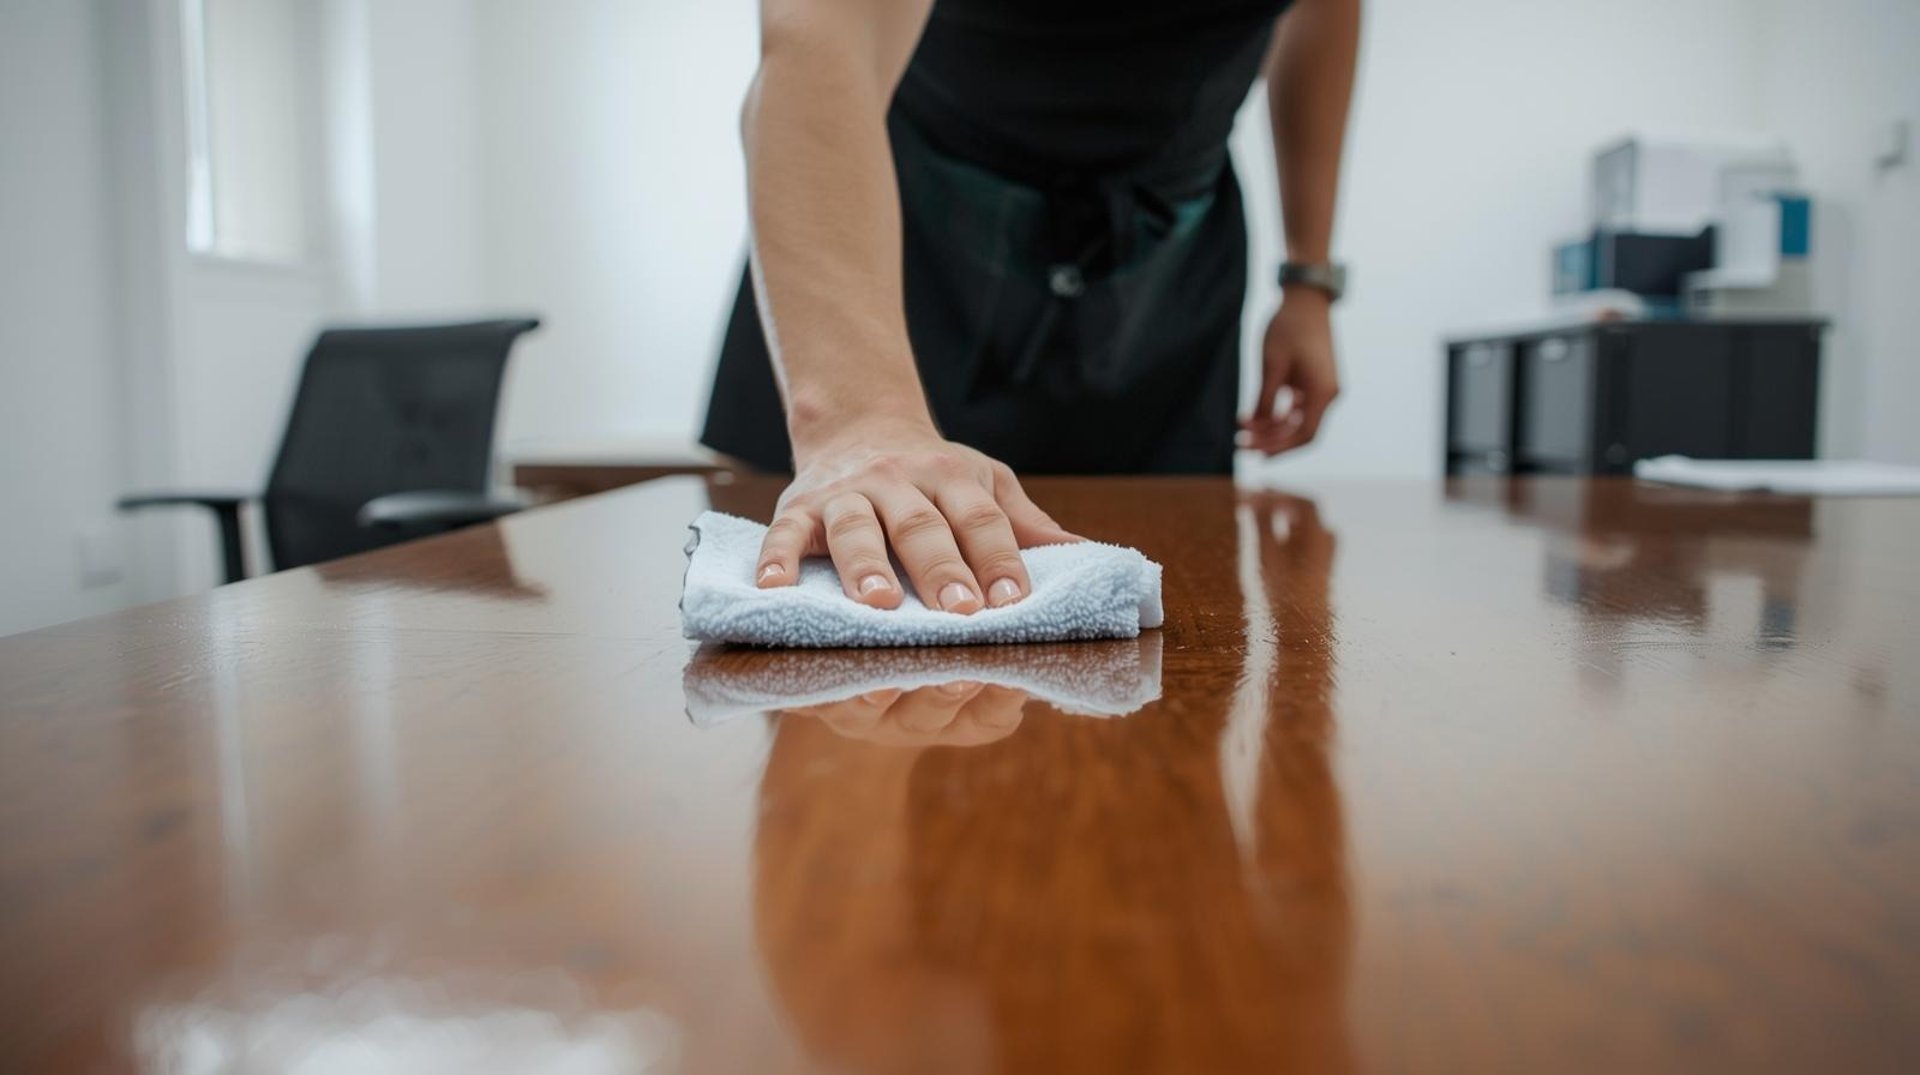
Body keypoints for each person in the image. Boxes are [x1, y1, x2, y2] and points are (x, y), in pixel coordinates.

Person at [701, 0, 1359, 614]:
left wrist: (1309, 276)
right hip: (891, 246)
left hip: (1164, 264)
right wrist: (856, 423)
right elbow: (822, 42)